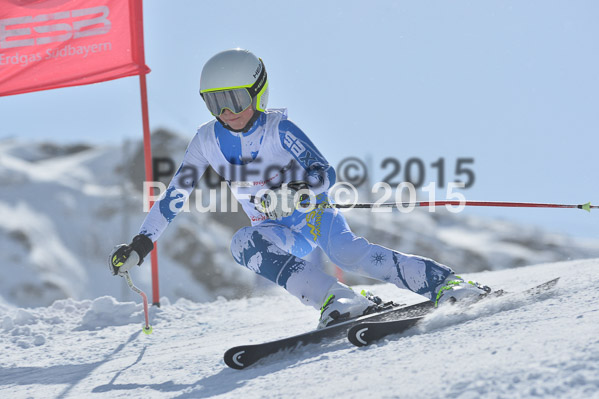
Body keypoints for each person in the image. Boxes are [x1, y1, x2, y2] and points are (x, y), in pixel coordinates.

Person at [109, 48, 491, 329]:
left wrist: (297, 190)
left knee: (345, 252)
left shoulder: (278, 129)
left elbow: (325, 172)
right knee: (243, 243)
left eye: (234, 99)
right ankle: (338, 299)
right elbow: (175, 194)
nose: (226, 112)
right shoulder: (205, 140)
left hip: (312, 214)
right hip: (275, 230)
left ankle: (447, 283)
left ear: (257, 92)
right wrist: (142, 243)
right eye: (215, 103)